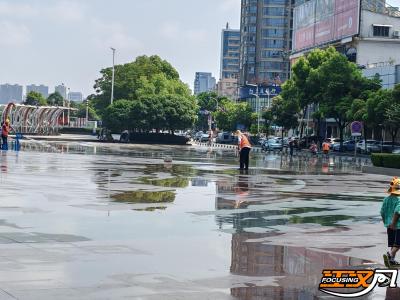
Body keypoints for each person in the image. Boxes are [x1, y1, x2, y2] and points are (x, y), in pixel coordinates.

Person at [382, 177, 400, 268]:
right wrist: (393, 223)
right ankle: (390, 254)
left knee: (394, 243)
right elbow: (397, 212)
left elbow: (382, 212)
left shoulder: (386, 199)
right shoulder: (399, 199)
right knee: (398, 244)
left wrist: (386, 222)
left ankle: (391, 260)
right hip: (398, 225)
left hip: (389, 225)